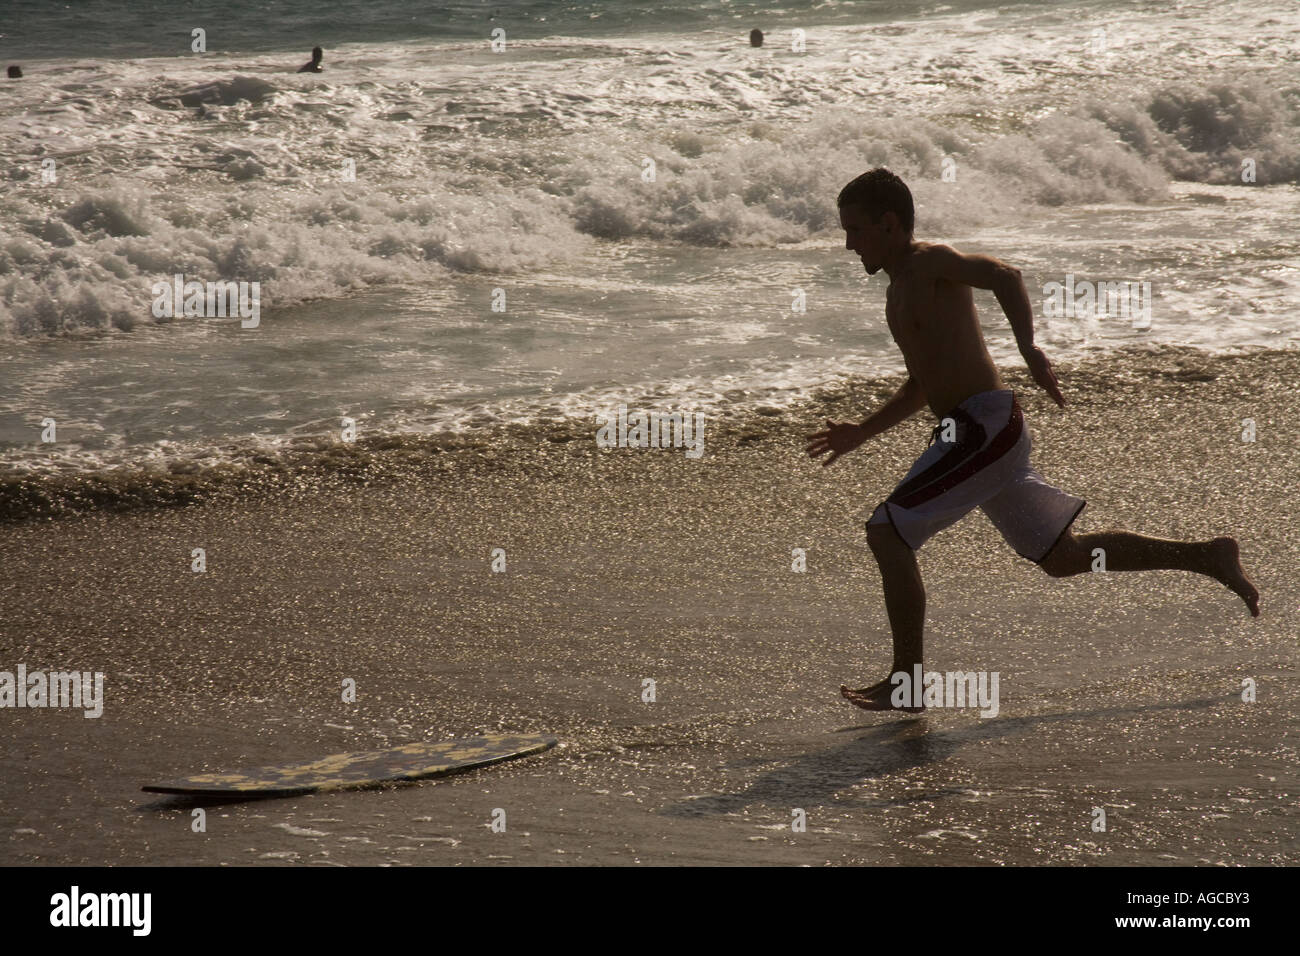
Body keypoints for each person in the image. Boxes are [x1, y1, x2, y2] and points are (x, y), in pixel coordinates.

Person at [805, 168, 1259, 713]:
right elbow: (923, 381)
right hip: (974, 434)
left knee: (887, 533)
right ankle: (1207, 556)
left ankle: (909, 684)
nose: (848, 243)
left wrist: (1028, 349)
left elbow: (1003, 273)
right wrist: (863, 431)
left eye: (854, 229)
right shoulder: (897, 292)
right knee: (1063, 558)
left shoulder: (929, 262)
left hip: (985, 427)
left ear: (889, 223)